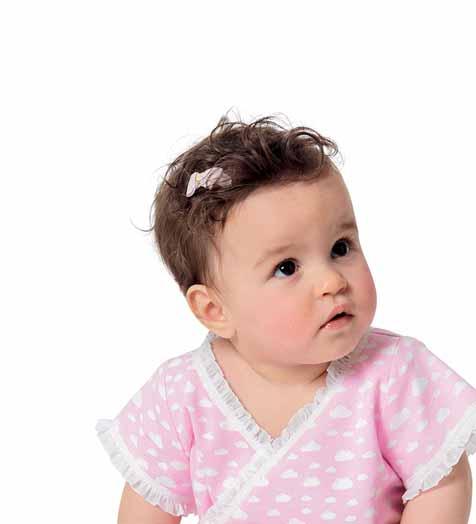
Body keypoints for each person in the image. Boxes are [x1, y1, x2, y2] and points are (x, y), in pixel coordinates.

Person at [95, 114, 476, 523]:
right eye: (287, 268)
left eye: (341, 247)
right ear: (214, 309)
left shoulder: (394, 372)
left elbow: (441, 482)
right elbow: (146, 510)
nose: (332, 281)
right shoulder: (180, 395)